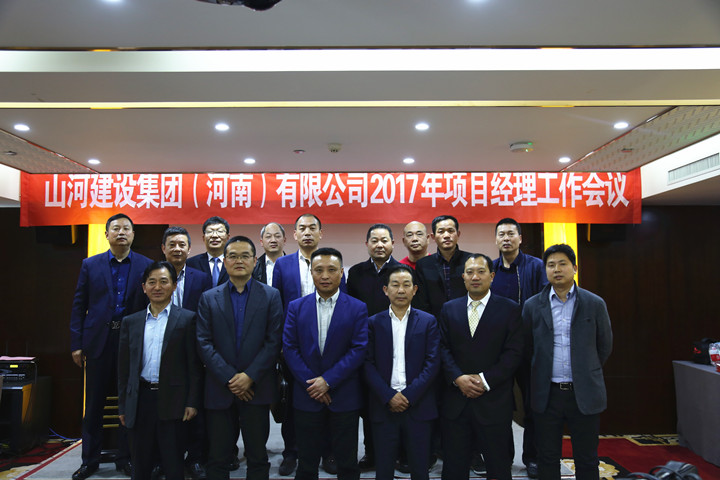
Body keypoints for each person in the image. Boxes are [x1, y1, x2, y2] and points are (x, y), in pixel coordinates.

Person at [70, 213, 153, 480]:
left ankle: (125, 458)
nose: (121, 232)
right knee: (94, 405)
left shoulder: (146, 265)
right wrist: (77, 344)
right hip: (98, 343)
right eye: (116, 228)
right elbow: (79, 305)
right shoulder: (90, 264)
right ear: (106, 234)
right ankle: (89, 460)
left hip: (131, 343)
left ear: (133, 234)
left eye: (126, 228)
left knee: (128, 403)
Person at [196, 236, 284, 480]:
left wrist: (249, 377)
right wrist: (231, 378)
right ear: (224, 262)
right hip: (219, 387)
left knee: (257, 455)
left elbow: (274, 341)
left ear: (255, 261)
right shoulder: (208, 297)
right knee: (217, 457)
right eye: (233, 256)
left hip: (256, 388)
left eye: (245, 256)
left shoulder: (271, 295)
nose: (239, 261)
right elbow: (203, 342)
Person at [522, 244, 613, 480]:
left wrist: (586, 370)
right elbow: (526, 348)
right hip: (547, 393)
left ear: (574, 268)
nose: (557, 269)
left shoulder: (594, 303)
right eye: (551, 265)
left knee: (587, 458)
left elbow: (604, 345)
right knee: (547, 457)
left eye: (562, 264)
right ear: (545, 270)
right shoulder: (532, 306)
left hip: (583, 391)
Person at [282, 248, 368, 480]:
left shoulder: (358, 307)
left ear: (341, 273)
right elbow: (289, 348)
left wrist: (328, 381)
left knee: (347, 464)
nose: (325, 276)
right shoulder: (296, 307)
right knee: (306, 464)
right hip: (307, 394)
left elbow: (359, 349)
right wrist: (314, 384)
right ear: (311, 273)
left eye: (331, 270)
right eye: (319, 270)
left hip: (344, 395)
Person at [438, 254, 523, 480]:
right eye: (470, 272)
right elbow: (442, 348)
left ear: (492, 276)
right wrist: (458, 378)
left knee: (498, 467)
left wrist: (484, 380)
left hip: (494, 401)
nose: (475, 277)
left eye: (481, 271)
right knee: (454, 467)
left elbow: (514, 352)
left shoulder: (510, 309)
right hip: (456, 401)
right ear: (463, 277)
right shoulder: (449, 309)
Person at [271, 213, 344, 475]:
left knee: (328, 398)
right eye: (302, 228)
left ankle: (328, 452)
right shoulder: (283, 264)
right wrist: (282, 344)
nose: (307, 232)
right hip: (293, 346)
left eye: (313, 228)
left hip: (328, 344)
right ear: (294, 234)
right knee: (294, 402)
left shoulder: (332, 263)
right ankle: (291, 453)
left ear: (321, 233)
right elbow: (277, 305)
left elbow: (342, 303)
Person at [118, 261, 202, 480]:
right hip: (140, 399)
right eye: (152, 282)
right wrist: (123, 405)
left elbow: (194, 366)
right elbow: (124, 369)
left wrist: (192, 402)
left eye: (164, 282)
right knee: (141, 464)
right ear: (144, 287)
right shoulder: (131, 322)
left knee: (173, 462)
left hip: (174, 400)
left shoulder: (187, 319)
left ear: (174, 286)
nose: (157, 287)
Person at [364, 264, 440, 480]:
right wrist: (389, 396)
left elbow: (432, 363)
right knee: (383, 469)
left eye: (406, 285)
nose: (400, 290)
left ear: (414, 290)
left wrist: (408, 395)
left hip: (418, 405)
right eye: (395, 285)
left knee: (420, 468)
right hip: (384, 405)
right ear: (385, 290)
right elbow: (367, 364)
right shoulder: (373, 323)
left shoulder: (428, 321)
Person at [490, 218, 548, 478]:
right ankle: (501, 458)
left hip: (528, 348)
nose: (506, 238)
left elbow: (544, 305)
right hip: (497, 350)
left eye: (511, 234)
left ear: (520, 238)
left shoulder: (535, 267)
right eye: (501, 234)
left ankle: (532, 457)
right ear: (496, 239)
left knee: (532, 404)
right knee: (499, 407)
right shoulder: (490, 269)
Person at [161, 226, 213, 480]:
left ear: (190, 249)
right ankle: (164, 460)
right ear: (163, 248)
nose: (177, 249)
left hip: (193, 349)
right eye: (172, 244)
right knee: (164, 409)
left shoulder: (200, 277)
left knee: (195, 407)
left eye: (182, 244)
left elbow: (207, 314)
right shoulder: (155, 275)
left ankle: (195, 459)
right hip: (160, 349)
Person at [347, 223, 400, 469]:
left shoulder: (401, 272)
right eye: (375, 240)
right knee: (370, 404)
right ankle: (371, 453)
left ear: (392, 243)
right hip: (364, 347)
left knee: (396, 397)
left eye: (384, 240)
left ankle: (398, 452)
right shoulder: (356, 272)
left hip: (396, 344)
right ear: (367, 244)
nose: (380, 245)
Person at [414, 215, 471, 318]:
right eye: (441, 232)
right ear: (433, 236)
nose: (446, 235)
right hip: (434, 321)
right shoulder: (423, 265)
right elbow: (421, 301)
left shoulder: (471, 261)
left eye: (451, 231)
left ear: (458, 234)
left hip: (466, 319)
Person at [187, 216, 231, 287]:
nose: (214, 236)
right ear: (203, 238)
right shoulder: (191, 263)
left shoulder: (234, 262)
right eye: (210, 231)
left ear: (228, 237)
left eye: (220, 231)